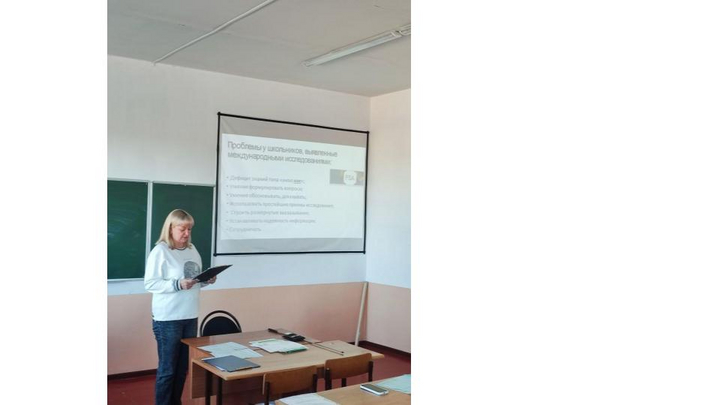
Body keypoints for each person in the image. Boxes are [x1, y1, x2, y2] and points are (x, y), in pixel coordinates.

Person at [144, 209, 217, 405]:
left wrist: (206, 280)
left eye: (189, 229)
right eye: (182, 229)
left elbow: (193, 281)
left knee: (183, 368)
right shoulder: (160, 251)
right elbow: (150, 284)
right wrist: (177, 284)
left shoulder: (192, 249)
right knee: (168, 370)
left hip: (190, 315)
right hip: (168, 319)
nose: (187, 233)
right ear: (170, 228)